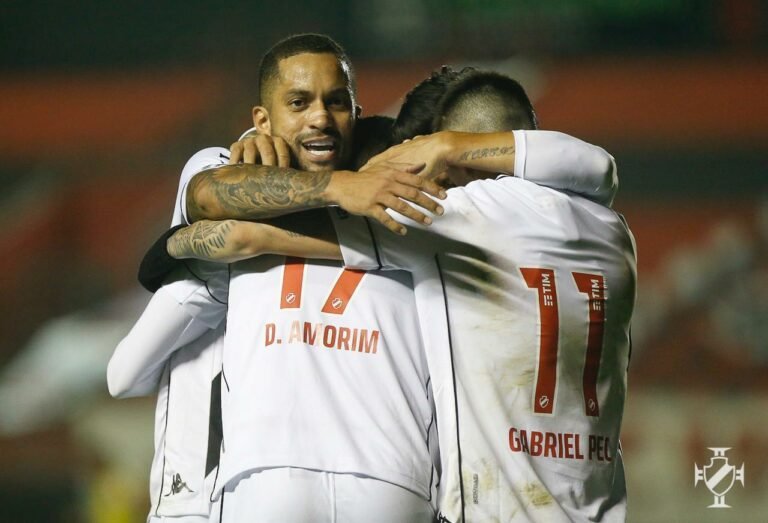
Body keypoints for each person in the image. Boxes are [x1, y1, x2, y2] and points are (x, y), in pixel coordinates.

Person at [169, 69, 636, 522]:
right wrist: (450, 145)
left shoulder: (460, 218)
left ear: (458, 160)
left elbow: (239, 231)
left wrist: (175, 242)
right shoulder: (613, 231)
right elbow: (596, 165)